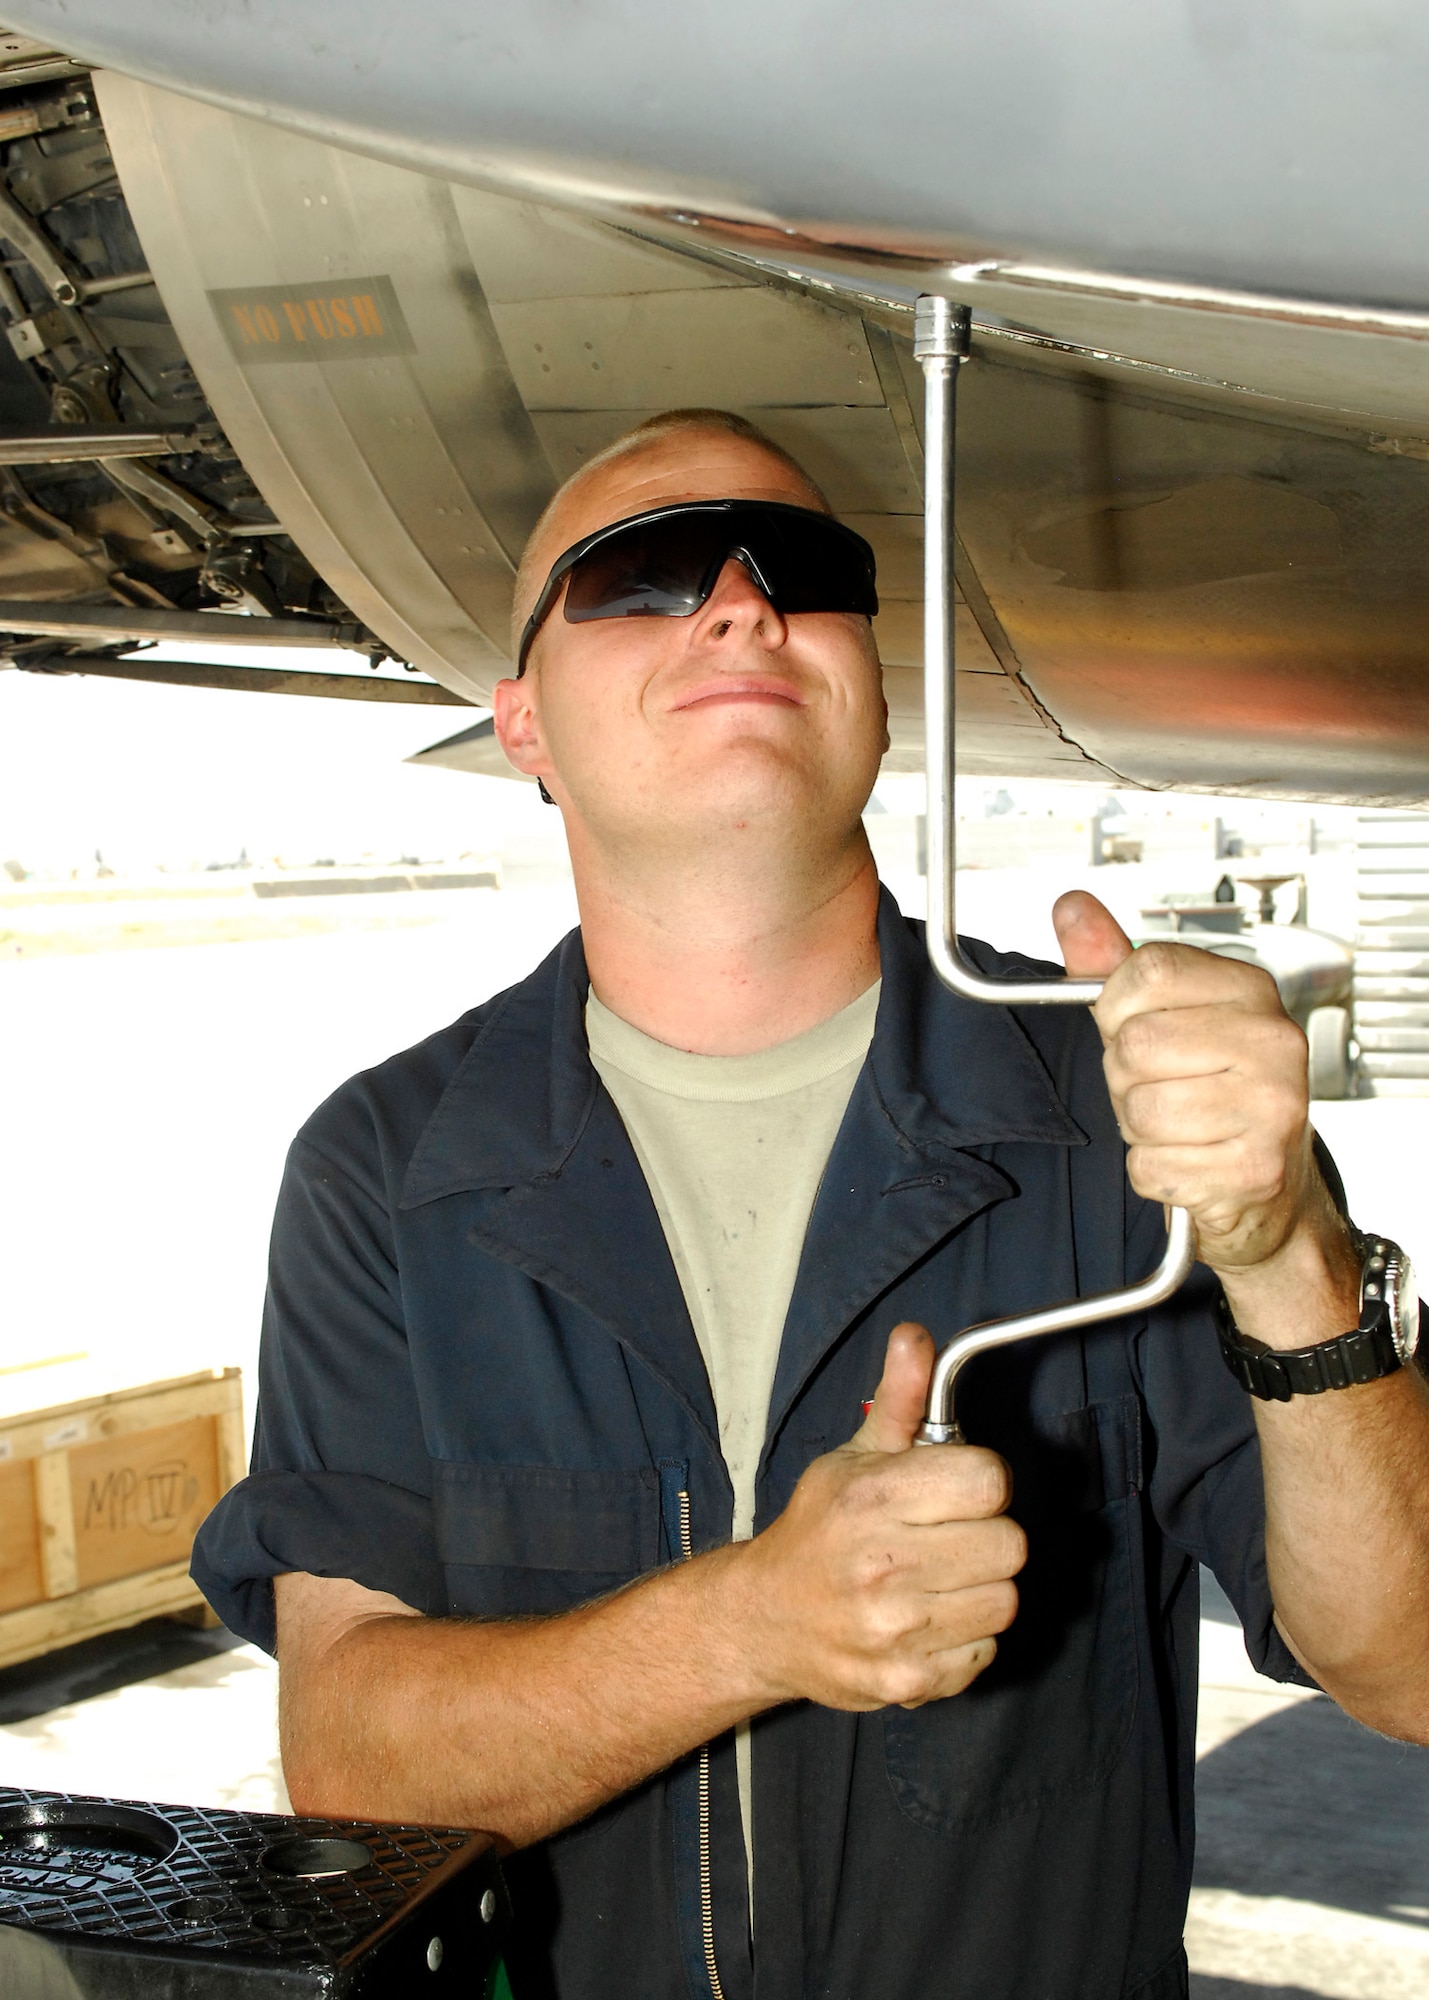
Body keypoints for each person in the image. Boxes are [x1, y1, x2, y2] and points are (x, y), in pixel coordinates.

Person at [194, 409, 1429, 2000]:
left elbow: (1403, 1665)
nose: (737, 602)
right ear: (522, 726)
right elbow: (353, 1763)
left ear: (871, 679)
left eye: (800, 568)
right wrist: (751, 1628)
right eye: (637, 574)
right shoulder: (388, 1168)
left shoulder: (1126, 1126)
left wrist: (1284, 1266)